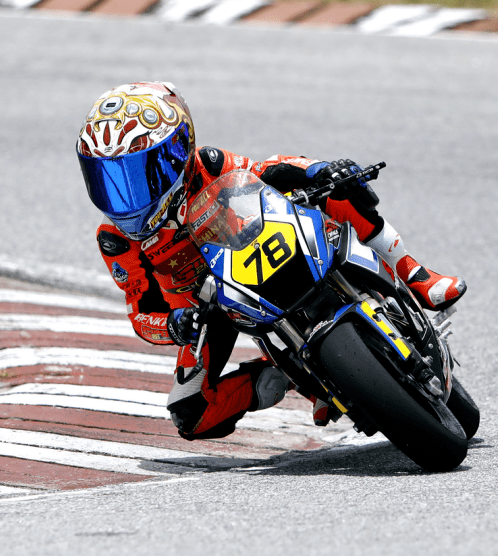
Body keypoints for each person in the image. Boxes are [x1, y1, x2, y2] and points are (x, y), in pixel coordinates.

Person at [77, 81, 467, 440]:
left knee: (337, 188)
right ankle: (289, 375)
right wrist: (175, 325)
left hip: (257, 250)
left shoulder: (206, 165)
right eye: (107, 179)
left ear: (175, 152)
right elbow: (141, 313)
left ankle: (416, 275)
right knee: (190, 412)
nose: (123, 195)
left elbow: (267, 170)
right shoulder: (116, 241)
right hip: (208, 309)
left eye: (135, 176)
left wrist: (320, 170)